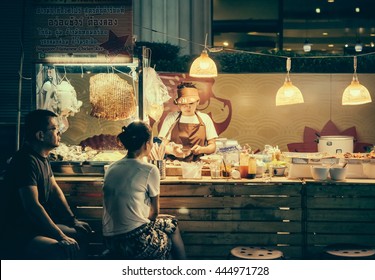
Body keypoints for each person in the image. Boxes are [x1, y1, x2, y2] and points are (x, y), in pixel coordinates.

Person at [0, 109, 92, 260]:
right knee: (59, 250)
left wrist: (72, 220)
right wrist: (61, 236)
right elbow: (32, 206)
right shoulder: (25, 161)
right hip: (21, 232)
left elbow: (55, 190)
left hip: (36, 226)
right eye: (55, 129)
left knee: (81, 233)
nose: (59, 134)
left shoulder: (43, 157)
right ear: (40, 135)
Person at [102, 121, 186, 260]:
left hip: (110, 241)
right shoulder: (150, 169)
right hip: (134, 241)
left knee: (166, 223)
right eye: (152, 141)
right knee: (172, 226)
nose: (153, 145)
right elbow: (154, 214)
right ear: (147, 143)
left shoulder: (111, 168)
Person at [158, 82, 218, 162]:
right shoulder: (171, 118)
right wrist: (173, 151)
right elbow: (162, 146)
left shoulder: (205, 118)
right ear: (178, 104)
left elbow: (212, 146)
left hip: (197, 165)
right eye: (184, 104)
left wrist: (202, 149)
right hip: (174, 164)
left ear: (197, 102)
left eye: (191, 103)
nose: (188, 107)